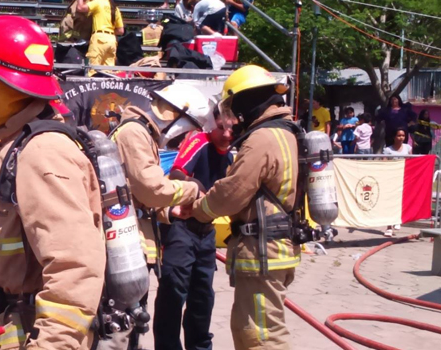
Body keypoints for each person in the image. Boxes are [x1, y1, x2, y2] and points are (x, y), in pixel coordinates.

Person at [0, 16, 106, 349]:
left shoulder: (43, 153)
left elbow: (74, 268)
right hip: (12, 327)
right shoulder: (11, 146)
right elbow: (4, 245)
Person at [179, 65, 301, 350]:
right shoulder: (286, 132)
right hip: (275, 249)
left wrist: (197, 209)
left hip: (262, 252)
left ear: (247, 102)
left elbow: (233, 191)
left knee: (261, 336)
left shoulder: (263, 138)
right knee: (252, 328)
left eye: (235, 109)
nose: (233, 121)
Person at [108, 82, 205, 350]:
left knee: (132, 323)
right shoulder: (134, 134)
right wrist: (192, 190)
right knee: (120, 327)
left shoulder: (140, 133)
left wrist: (168, 210)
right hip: (125, 243)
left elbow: (135, 192)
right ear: (177, 115)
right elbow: (152, 189)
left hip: (133, 241)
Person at [154, 94, 235, 350]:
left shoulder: (232, 156)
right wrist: (199, 189)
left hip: (206, 231)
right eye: (222, 127)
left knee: (203, 298)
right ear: (213, 124)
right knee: (173, 293)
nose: (227, 134)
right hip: (181, 229)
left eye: (232, 128)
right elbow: (177, 173)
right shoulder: (199, 141)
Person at [76, 0, 124, 75]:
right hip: (111, 40)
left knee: (92, 69)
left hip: (99, 38)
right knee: (108, 72)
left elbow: (80, 8)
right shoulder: (115, 8)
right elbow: (120, 31)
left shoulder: (98, 2)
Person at [381, 128, 411, 236]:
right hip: (392, 178)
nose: (401, 138)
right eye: (399, 135)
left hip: (404, 178)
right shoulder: (388, 150)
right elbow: (384, 163)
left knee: (401, 201)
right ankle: (389, 227)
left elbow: (412, 162)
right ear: (394, 137)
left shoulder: (408, 148)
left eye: (403, 135)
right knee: (391, 202)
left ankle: (398, 220)